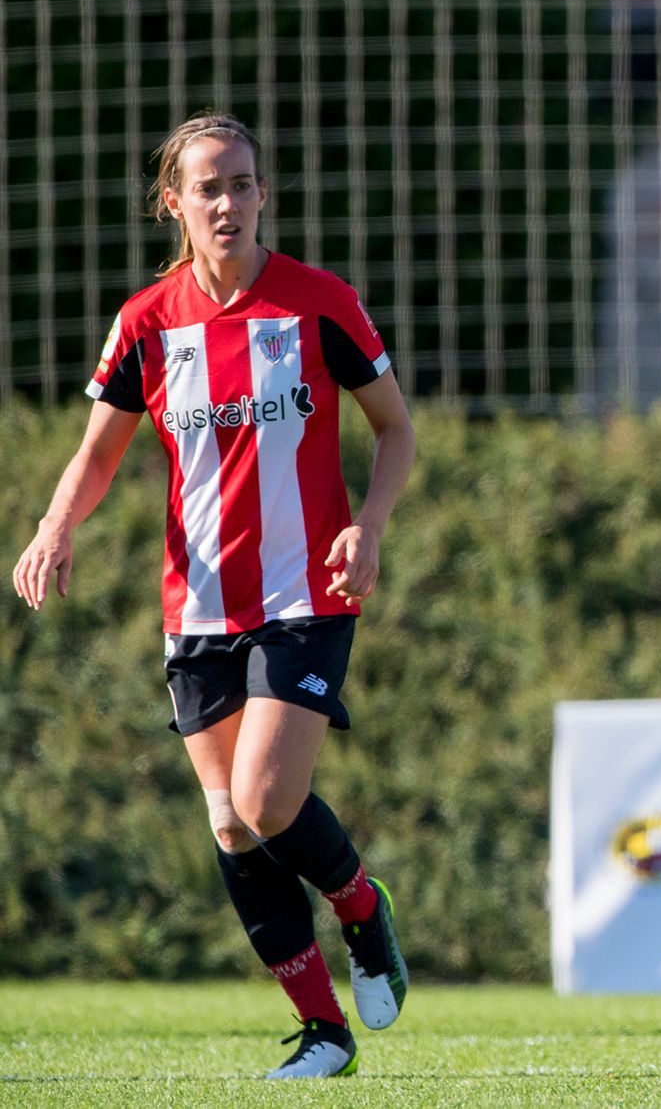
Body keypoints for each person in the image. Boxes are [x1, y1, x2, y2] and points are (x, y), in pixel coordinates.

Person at [11, 113, 416, 1080]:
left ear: (262, 194)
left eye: (241, 183)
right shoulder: (146, 322)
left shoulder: (319, 304)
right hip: (196, 606)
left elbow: (394, 430)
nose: (227, 202)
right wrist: (55, 523)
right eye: (207, 187)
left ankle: (363, 908)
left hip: (306, 593)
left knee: (269, 801)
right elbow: (98, 451)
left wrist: (371, 524)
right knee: (229, 822)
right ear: (174, 203)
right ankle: (324, 1034)